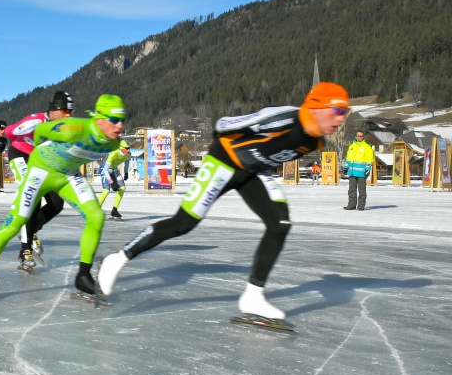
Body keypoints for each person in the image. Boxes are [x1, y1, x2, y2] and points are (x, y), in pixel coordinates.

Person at [98, 82, 350, 322]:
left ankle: (253, 296)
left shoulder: (315, 142)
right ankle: (118, 259)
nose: (341, 118)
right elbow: (223, 125)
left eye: (345, 112)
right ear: (317, 107)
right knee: (183, 224)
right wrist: (228, 140)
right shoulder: (286, 118)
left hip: (252, 172)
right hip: (224, 160)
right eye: (338, 111)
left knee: (280, 223)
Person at [0, 94, 126, 305]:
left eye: (123, 119)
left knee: (96, 216)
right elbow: (40, 132)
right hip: (40, 172)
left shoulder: (114, 143)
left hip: (67, 175)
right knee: (15, 224)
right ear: (100, 119)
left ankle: (83, 276)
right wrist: (40, 154)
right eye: (114, 119)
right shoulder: (75, 128)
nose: (119, 125)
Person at [4, 91, 74, 272]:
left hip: (42, 160)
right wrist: (21, 141)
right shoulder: (35, 121)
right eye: (66, 111)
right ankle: (25, 248)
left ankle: (31, 229)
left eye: (71, 112)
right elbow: (9, 132)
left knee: (57, 204)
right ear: (54, 110)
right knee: (33, 195)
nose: (69, 115)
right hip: (20, 154)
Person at [97, 140, 131, 219]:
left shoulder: (128, 155)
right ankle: (96, 210)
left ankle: (114, 210)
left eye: (129, 148)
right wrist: (112, 182)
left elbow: (127, 163)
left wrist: (126, 173)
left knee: (122, 188)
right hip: (105, 168)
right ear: (121, 148)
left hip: (114, 169)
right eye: (126, 148)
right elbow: (105, 170)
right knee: (106, 190)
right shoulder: (113, 154)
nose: (128, 150)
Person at [343, 130, 374, 211]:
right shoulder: (351, 146)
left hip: (361, 172)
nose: (360, 137)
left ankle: (361, 205)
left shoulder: (367, 147)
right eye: (358, 136)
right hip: (352, 172)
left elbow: (369, 159)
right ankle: (351, 205)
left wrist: (367, 169)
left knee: (362, 190)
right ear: (355, 136)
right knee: (351, 190)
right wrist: (345, 167)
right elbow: (348, 158)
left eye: (361, 136)